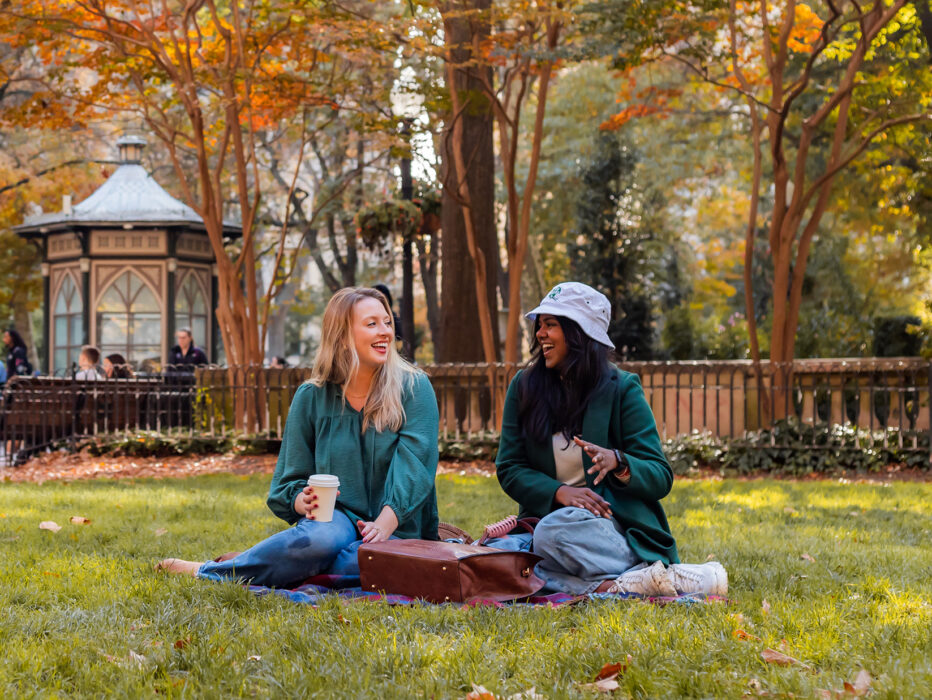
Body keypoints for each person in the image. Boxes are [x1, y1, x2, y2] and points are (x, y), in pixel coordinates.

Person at [158, 287, 440, 587]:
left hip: (398, 526)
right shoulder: (312, 397)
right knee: (316, 544)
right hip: (335, 520)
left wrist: (383, 525)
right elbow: (287, 482)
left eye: (387, 322)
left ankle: (268, 563)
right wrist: (300, 502)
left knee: (364, 559)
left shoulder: (414, 388)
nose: (385, 332)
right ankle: (216, 570)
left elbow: (415, 468)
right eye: (372, 324)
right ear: (343, 336)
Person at [486, 282, 727, 597]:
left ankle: (628, 571)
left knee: (547, 543)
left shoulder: (621, 388)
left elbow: (660, 475)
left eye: (551, 325)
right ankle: (632, 583)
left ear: (579, 333)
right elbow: (510, 467)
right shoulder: (525, 387)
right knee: (508, 561)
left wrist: (619, 462)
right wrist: (559, 493)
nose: (540, 334)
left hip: (611, 529)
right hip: (552, 525)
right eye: (540, 326)